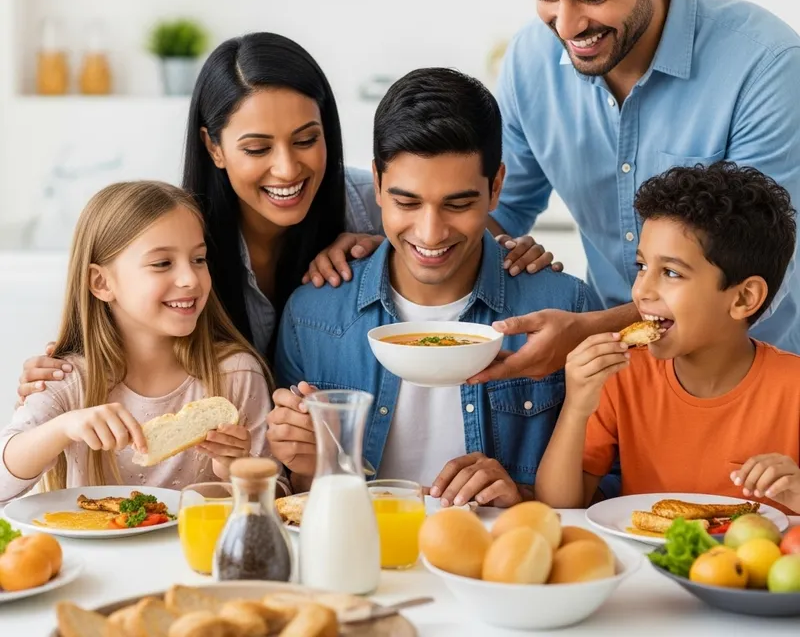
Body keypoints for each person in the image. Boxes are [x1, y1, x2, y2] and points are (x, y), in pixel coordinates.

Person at [17, 33, 543, 399]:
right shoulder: (178, 239)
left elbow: (464, 220)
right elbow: (111, 332)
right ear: (214, 147)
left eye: (307, 140)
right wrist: (63, 371)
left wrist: (518, 251)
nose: (287, 168)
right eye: (257, 148)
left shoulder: (366, 198)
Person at [478, 0, 800, 384]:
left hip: (754, 384)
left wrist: (590, 329)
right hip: (615, 384)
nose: (567, 25)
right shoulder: (530, 64)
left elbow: (757, 266)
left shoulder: (766, 66)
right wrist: (376, 234)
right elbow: (495, 213)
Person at [267, 67, 618, 508]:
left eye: (458, 203)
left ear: (495, 189)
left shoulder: (565, 307)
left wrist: (523, 498)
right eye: (407, 202)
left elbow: (610, 487)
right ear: (376, 183)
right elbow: (289, 499)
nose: (431, 234)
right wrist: (304, 465)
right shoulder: (312, 314)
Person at [535, 162, 800, 515]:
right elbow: (559, 507)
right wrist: (576, 407)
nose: (641, 290)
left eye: (671, 273)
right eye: (642, 267)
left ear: (743, 298)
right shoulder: (622, 375)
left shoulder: (793, 389)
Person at [0, 181, 272, 502]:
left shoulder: (235, 373)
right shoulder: (67, 379)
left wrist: (237, 469)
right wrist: (62, 428)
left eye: (199, 259)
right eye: (162, 263)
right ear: (101, 282)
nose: (190, 278)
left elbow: (279, 498)